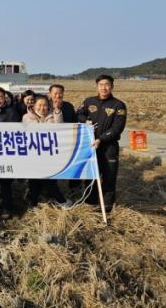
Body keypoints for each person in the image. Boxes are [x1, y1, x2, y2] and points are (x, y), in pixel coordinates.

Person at [77, 75, 127, 212]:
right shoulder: (89, 101)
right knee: (91, 177)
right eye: (101, 84)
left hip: (108, 147)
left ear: (112, 86)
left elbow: (117, 128)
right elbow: (79, 114)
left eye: (107, 84)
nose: (104, 87)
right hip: (91, 146)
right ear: (97, 86)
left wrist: (101, 139)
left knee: (109, 178)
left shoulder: (119, 105)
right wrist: (85, 120)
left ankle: (106, 209)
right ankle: (90, 205)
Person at [22, 94, 68, 206]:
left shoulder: (53, 116)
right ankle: (36, 202)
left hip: (49, 155)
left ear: (48, 106)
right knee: (34, 180)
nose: (42, 108)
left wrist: (57, 112)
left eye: (45, 105)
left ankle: (57, 200)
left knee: (49, 179)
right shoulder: (27, 117)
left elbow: (60, 128)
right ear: (33, 106)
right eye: (39, 105)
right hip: (33, 154)